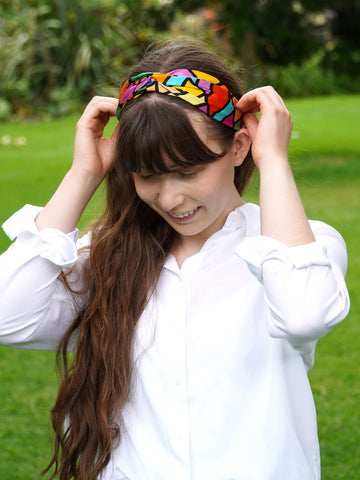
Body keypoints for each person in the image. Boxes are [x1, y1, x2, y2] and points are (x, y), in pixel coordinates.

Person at [0, 41, 350, 480]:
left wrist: (274, 160)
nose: (170, 198)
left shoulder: (301, 246)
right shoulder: (107, 259)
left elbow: (304, 315)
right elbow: (7, 316)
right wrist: (83, 173)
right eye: (147, 175)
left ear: (239, 146)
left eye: (188, 172)